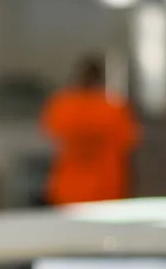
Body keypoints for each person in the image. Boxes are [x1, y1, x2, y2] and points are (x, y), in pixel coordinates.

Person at [40, 54, 139, 205]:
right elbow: (129, 141)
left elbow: (50, 135)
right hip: (106, 188)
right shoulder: (113, 108)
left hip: (69, 188)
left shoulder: (62, 105)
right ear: (101, 79)